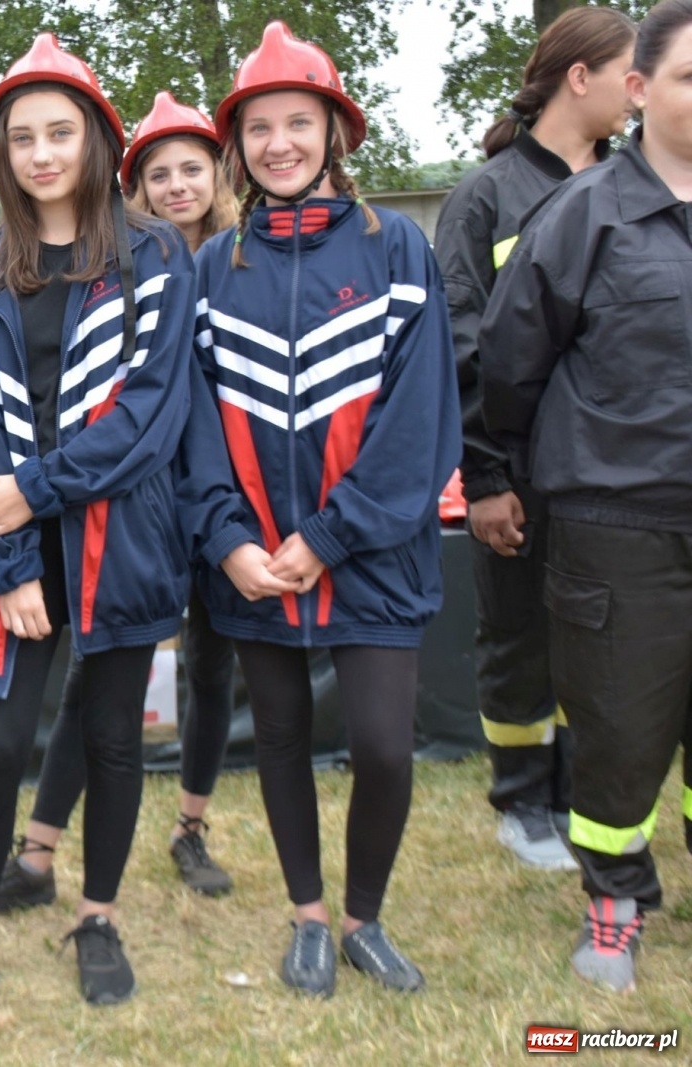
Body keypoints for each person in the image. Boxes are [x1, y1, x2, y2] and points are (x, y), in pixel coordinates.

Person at [0, 35, 263, 1025]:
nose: (42, 154)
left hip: (122, 535)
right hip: (14, 544)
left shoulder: (154, 252)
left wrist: (35, 489)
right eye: (22, 138)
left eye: (60, 132)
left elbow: (151, 417)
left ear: (97, 140)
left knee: (115, 738)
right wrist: (6, 557)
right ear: (1, 153)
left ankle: (98, 916)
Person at [193, 21, 459, 998]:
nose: (279, 144)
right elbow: (193, 424)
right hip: (254, 560)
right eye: (259, 126)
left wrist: (330, 534)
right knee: (278, 738)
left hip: (372, 552)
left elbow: (421, 416)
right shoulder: (211, 268)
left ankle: (362, 918)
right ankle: (307, 914)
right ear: (238, 142)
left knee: (383, 745)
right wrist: (228, 537)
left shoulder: (398, 248)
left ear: (334, 131)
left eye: (298, 122)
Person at [479, 0, 692, 995]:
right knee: (616, 723)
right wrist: (529, 471)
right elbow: (509, 362)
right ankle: (614, 900)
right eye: (690, 75)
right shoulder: (584, 213)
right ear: (639, 90)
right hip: (619, 525)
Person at [0, 91, 243, 909]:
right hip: (142, 504)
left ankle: (191, 825)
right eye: (158, 173)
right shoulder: (124, 263)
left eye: (192, 169)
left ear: (219, 175)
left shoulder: (240, 260)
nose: (177, 186)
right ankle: (39, 851)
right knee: (108, 685)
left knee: (212, 665)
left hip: (227, 496)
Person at [434, 4, 636, 872]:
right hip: (518, 470)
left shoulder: (640, 186)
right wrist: (485, 479)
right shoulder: (486, 197)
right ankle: (523, 803)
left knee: (602, 644)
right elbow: (460, 344)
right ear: (578, 78)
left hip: (620, 476)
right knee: (520, 637)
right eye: (629, 74)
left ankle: (582, 796)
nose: (640, 93)